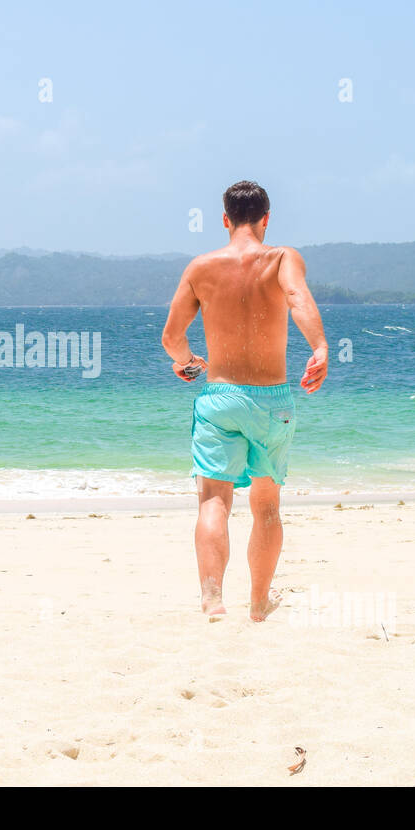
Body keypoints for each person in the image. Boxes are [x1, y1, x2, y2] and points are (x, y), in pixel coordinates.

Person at [161, 180, 328, 620]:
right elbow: (297, 297)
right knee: (267, 505)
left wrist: (189, 363)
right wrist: (320, 348)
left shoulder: (201, 267)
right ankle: (258, 603)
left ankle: (213, 598)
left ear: (225, 220)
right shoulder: (281, 258)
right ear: (266, 219)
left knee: (214, 500)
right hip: (272, 400)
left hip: (219, 396)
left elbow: (172, 338)